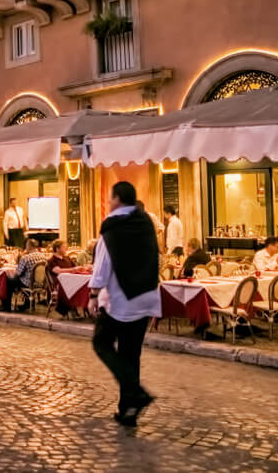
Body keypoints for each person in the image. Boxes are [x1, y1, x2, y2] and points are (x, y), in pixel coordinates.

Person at [88, 181, 161, 427]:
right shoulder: (146, 224)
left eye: (110, 198)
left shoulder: (113, 228)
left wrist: (93, 294)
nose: (108, 203)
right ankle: (128, 410)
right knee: (131, 353)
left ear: (117, 198)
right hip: (148, 295)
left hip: (121, 299)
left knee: (102, 343)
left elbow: (102, 264)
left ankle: (136, 393)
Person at [2, 239, 48, 312]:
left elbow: (18, 273)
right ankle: (27, 304)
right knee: (22, 277)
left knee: (8, 281)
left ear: (29, 246)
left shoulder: (26, 258)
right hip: (40, 282)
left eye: (26, 245)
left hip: (27, 283)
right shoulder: (43, 256)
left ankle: (6, 307)